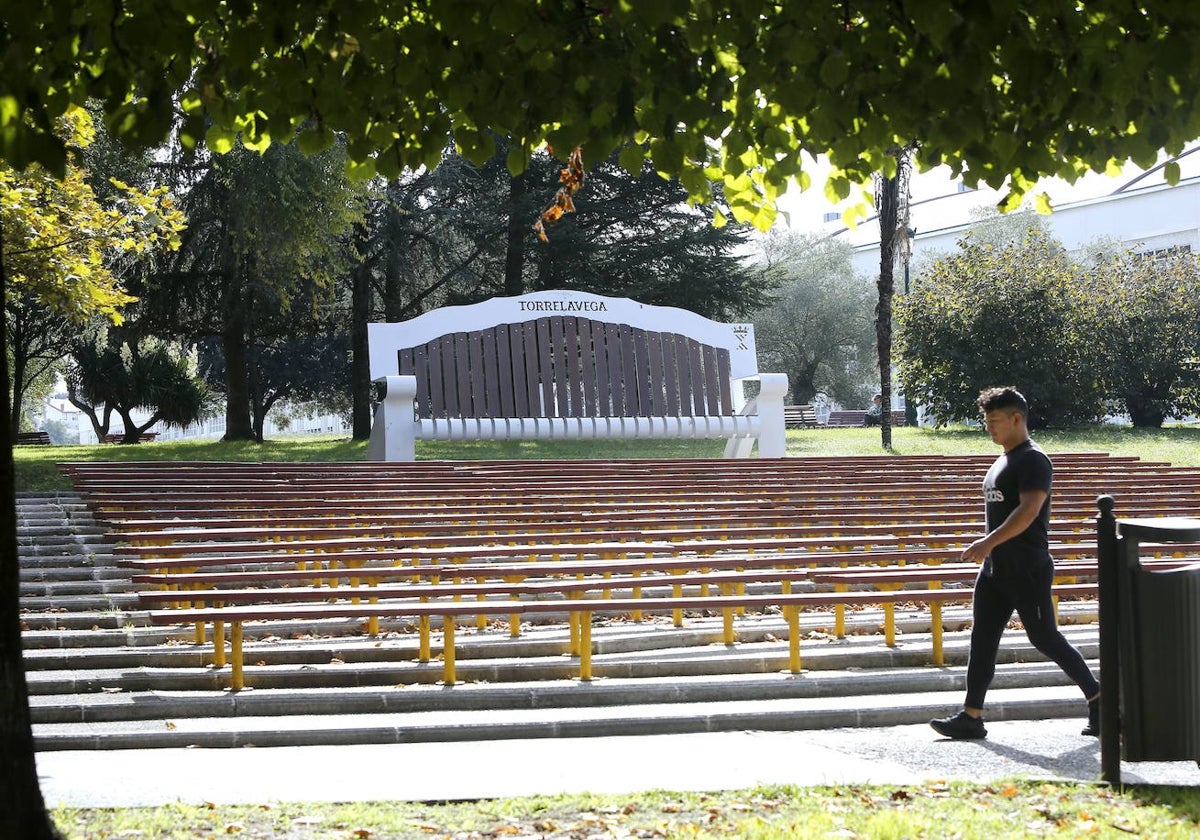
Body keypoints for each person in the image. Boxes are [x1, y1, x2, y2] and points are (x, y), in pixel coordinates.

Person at [929, 386, 1100, 740]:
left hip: (1027, 567)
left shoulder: (1033, 459)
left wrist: (987, 542)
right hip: (996, 570)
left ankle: (1100, 699)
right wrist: (990, 551)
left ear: (1016, 419)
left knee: (1044, 637)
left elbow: (1029, 511)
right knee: (983, 639)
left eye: (994, 421)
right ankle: (971, 716)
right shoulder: (1001, 461)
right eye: (986, 421)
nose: (988, 427)